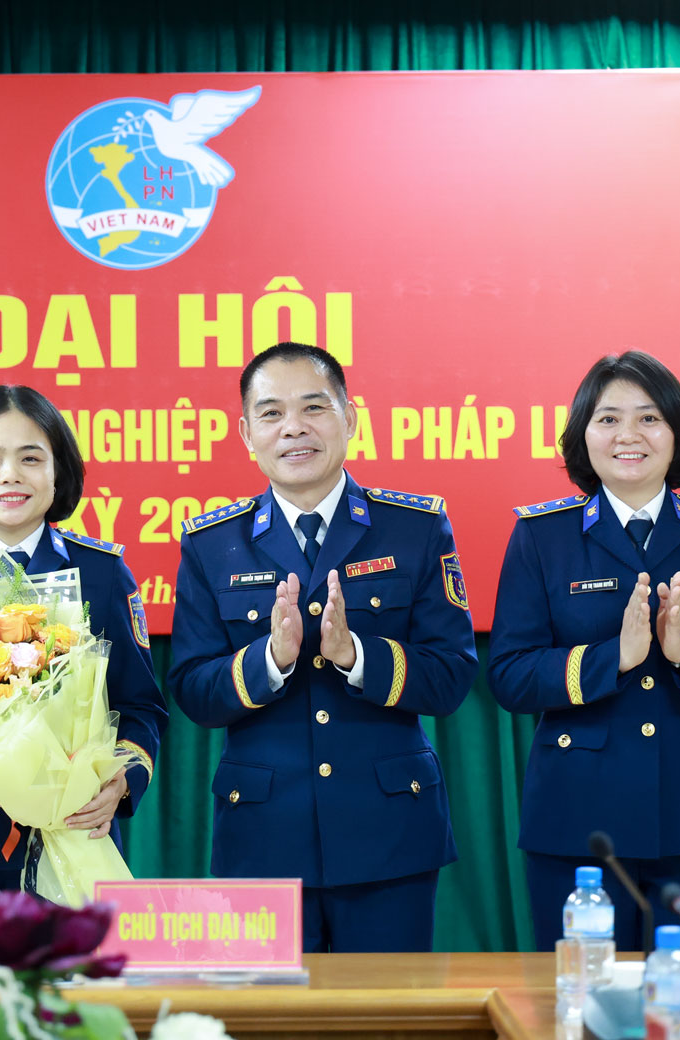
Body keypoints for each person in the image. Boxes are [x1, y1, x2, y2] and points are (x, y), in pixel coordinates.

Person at [168, 343, 477, 953]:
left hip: (390, 831)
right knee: (271, 1009)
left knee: (388, 1008)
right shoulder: (211, 542)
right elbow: (194, 691)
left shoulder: (415, 528)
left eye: (314, 407)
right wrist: (270, 661)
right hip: (263, 836)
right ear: (247, 434)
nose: (294, 428)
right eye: (271, 413)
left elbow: (451, 676)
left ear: (349, 418)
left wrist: (357, 655)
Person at [488, 350, 680, 951]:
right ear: (583, 435)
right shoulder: (542, 536)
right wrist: (614, 659)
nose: (628, 435)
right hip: (578, 824)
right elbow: (510, 675)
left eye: (649, 418)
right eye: (608, 419)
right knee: (584, 994)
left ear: (677, 435)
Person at [0, 385, 167, 893]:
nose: (10, 475)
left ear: (58, 471)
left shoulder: (102, 573)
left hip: (72, 837)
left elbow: (140, 707)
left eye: (30, 458)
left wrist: (121, 783)